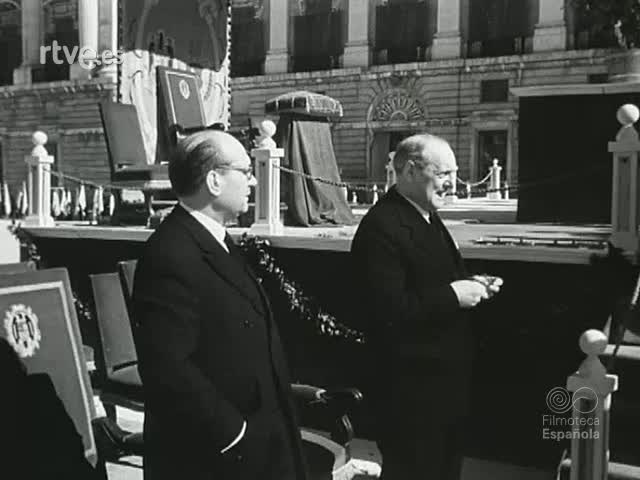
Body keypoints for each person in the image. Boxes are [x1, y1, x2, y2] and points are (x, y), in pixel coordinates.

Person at [132, 130, 307, 480]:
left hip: (262, 437)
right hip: (218, 454)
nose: (253, 181)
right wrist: (233, 433)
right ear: (214, 180)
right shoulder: (171, 253)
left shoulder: (217, 240)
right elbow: (167, 366)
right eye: (245, 171)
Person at [350, 133, 503, 480]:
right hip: (411, 394)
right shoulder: (382, 226)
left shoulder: (425, 215)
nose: (453, 183)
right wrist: (454, 295)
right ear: (408, 171)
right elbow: (387, 311)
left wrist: (473, 285)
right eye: (443, 173)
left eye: (454, 174)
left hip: (441, 388)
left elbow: (430, 280)